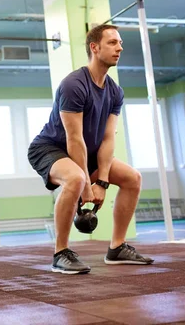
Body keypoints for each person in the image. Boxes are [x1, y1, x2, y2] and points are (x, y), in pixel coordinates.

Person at [27, 24, 154, 275]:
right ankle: (60, 252)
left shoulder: (115, 91)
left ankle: (117, 248)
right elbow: (74, 139)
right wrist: (86, 186)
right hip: (50, 147)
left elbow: (107, 139)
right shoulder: (74, 84)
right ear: (94, 48)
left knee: (132, 178)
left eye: (120, 43)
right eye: (112, 43)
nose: (120, 48)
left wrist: (103, 183)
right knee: (74, 178)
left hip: (89, 150)